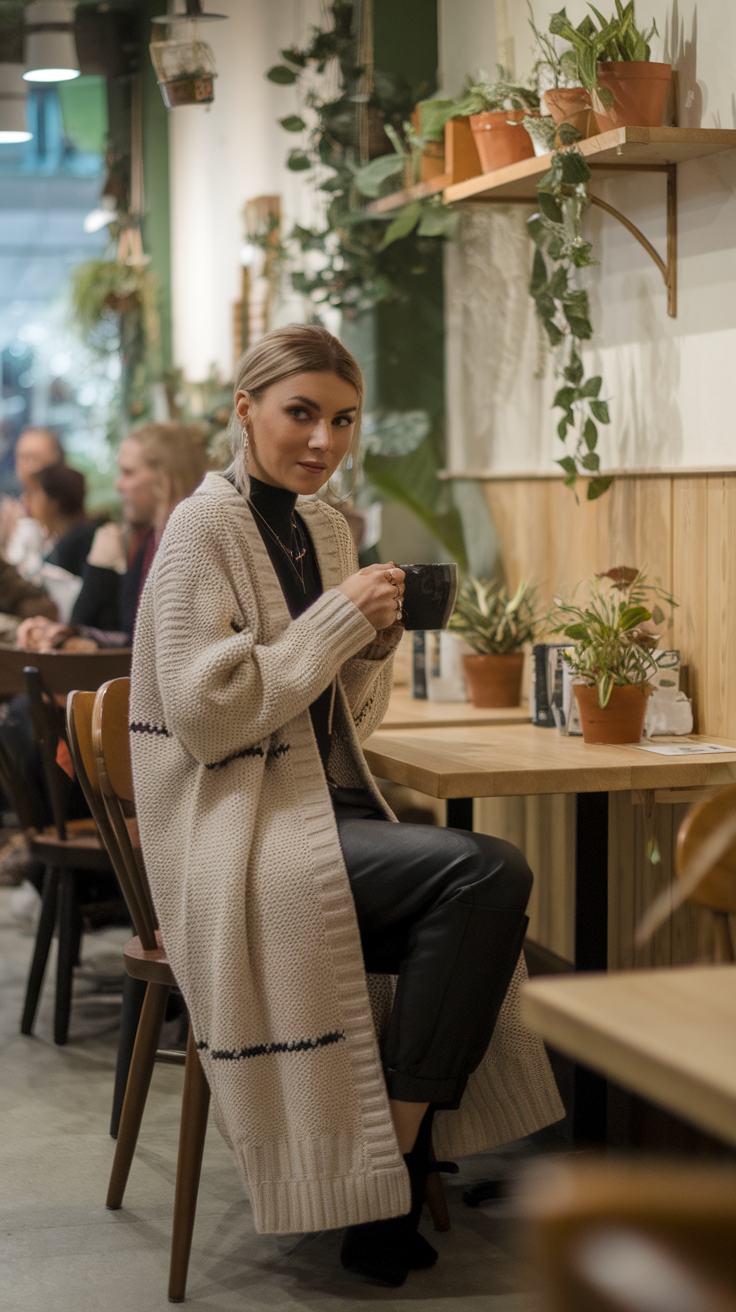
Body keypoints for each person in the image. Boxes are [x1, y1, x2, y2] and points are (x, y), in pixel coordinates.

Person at [129, 325, 563, 1287]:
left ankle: (395, 1153)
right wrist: (336, 622)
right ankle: (398, 1168)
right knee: (484, 873)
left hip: (319, 806)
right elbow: (208, 720)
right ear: (244, 410)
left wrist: (368, 647)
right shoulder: (202, 529)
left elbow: (342, 721)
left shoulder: (327, 528)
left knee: (476, 888)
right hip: (231, 828)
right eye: (301, 414)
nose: (323, 440)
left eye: (342, 419)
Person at [15, 422, 210, 651]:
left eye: (128, 473)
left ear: (164, 478)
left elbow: (156, 652)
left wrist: (83, 637)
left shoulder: (195, 547)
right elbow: (132, 639)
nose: (118, 485)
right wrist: (66, 634)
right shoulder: (149, 541)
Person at [0, 427, 65, 579]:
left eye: (33, 458)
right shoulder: (11, 511)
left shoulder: (65, 513)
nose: (25, 465)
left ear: (57, 461)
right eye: (20, 457)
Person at [25, 463, 98, 579]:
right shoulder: (85, 535)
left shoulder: (73, 545)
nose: (27, 501)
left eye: (35, 492)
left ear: (53, 502)